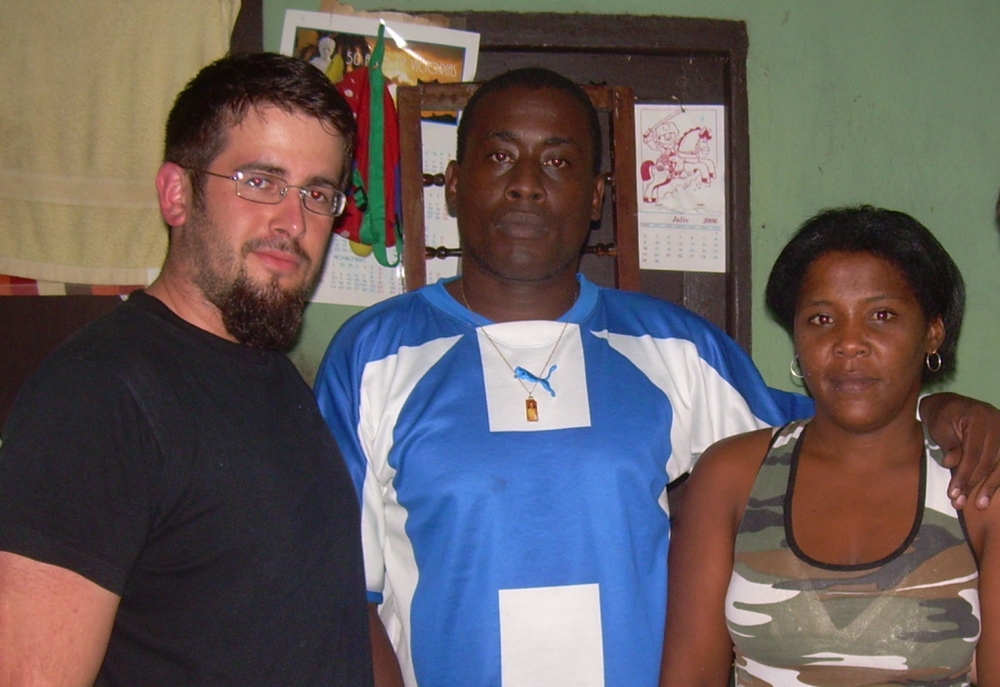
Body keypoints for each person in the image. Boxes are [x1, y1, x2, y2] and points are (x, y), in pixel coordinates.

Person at [315, 68, 1000, 687]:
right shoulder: (372, 356)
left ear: (596, 197)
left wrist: (950, 412)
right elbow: (341, 592)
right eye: (499, 156)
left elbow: (840, 419)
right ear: (455, 184)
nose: (526, 181)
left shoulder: (674, 349)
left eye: (558, 160)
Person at [0, 53, 373, 686]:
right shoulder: (100, 396)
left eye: (318, 193)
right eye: (259, 181)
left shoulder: (271, 377)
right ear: (177, 193)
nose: (294, 222)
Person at [660, 206, 999, 687]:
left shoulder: (976, 482)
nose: (849, 343)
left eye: (882, 316)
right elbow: (688, 675)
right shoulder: (733, 475)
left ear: (932, 332)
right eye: (821, 318)